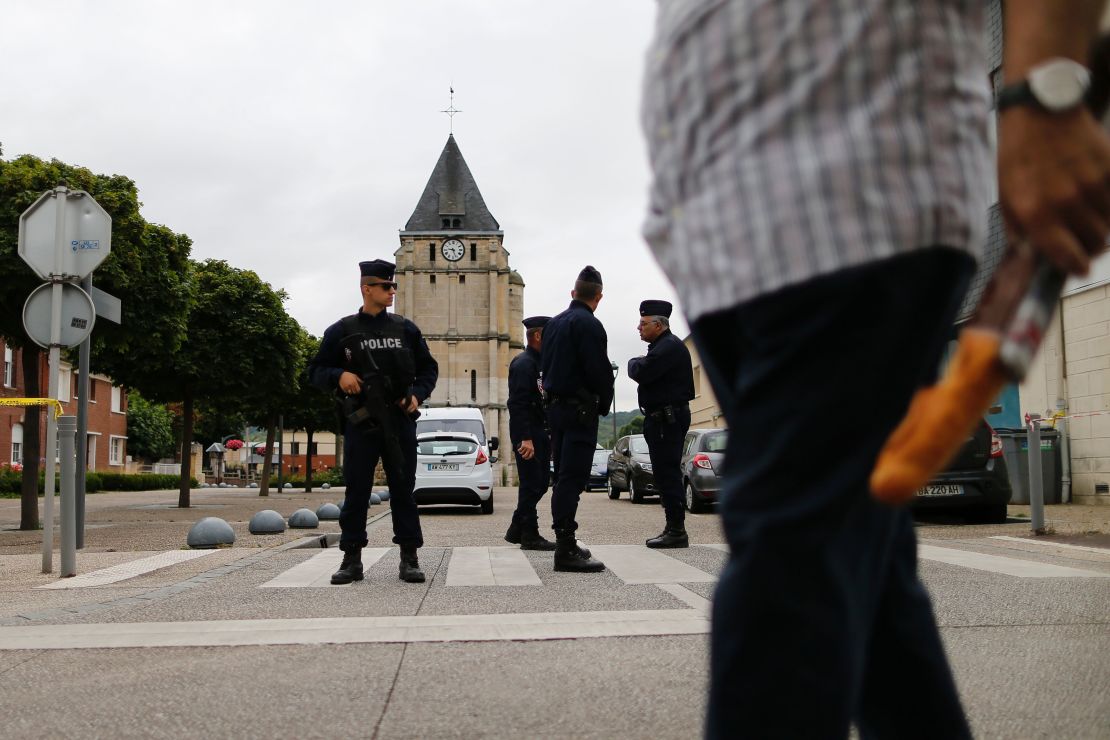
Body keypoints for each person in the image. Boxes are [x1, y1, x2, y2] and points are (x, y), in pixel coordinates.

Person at [640, 2, 1110, 738]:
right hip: (722, 228)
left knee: (791, 552)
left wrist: (1045, 94)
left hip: (851, 174)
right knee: (865, 568)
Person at [309, 259, 439, 586]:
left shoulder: (405, 329)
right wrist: (340, 375)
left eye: (393, 285)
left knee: (403, 493)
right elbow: (316, 371)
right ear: (367, 288)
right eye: (385, 286)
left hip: (399, 420)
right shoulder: (342, 331)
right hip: (362, 423)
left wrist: (417, 395)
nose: (392, 290)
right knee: (357, 493)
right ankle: (351, 558)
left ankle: (409, 558)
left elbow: (428, 369)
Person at [540, 266, 614, 572]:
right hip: (579, 411)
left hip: (556, 410)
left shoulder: (554, 324)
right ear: (598, 296)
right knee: (573, 479)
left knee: (562, 478)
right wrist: (603, 405)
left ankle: (564, 541)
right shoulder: (590, 325)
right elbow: (600, 373)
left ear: (574, 293)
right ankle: (566, 548)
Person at [627, 300, 694, 548]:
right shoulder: (662, 346)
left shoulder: (668, 347)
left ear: (658, 324)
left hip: (667, 419)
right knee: (665, 473)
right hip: (662, 418)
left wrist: (634, 362)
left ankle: (676, 531)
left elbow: (640, 371)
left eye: (644, 323)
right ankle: (673, 528)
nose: (639, 327)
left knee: (667, 474)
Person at [504, 315, 556, 551]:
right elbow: (518, 403)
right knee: (532, 484)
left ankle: (521, 529)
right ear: (538, 336)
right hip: (528, 433)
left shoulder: (541, 362)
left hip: (539, 431)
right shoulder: (523, 363)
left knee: (540, 483)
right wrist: (525, 438)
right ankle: (527, 532)